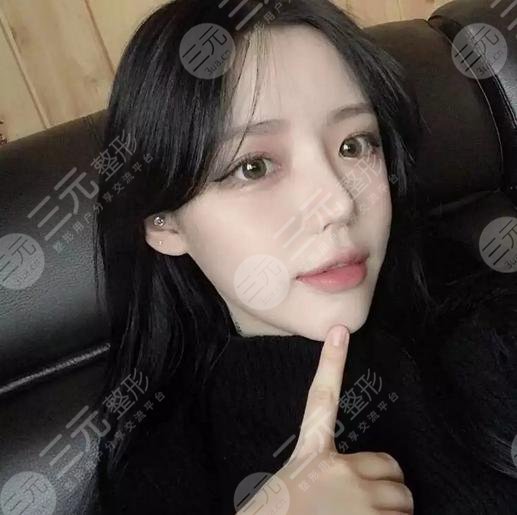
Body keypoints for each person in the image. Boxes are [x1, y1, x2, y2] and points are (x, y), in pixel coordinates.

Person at [81, 0, 517, 513]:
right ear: (164, 222)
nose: (338, 203)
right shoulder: (158, 477)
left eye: (355, 145)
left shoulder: (485, 324)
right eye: (253, 166)